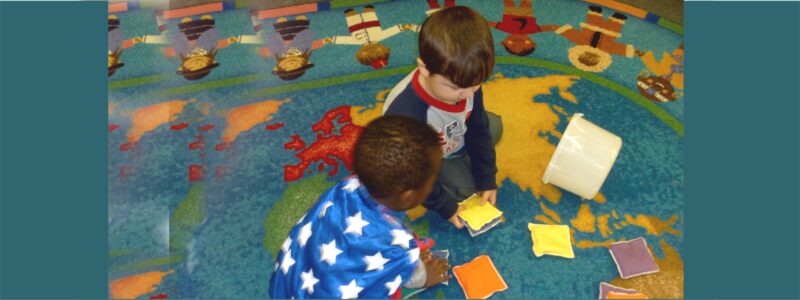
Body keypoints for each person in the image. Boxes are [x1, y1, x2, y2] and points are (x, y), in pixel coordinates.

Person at [269, 115, 451, 299]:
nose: (432, 186)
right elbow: (411, 277)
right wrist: (426, 276)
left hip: (288, 286)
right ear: (408, 197)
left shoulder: (343, 189)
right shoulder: (399, 248)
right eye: (431, 181)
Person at [382, 5, 503, 229]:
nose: (468, 95)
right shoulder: (404, 115)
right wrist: (446, 207)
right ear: (425, 68)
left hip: (452, 137)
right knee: (464, 192)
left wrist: (487, 179)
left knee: (492, 127)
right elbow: (413, 173)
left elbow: (478, 130)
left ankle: (462, 158)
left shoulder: (466, 81)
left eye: (476, 85)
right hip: (424, 161)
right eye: (456, 88)